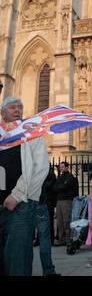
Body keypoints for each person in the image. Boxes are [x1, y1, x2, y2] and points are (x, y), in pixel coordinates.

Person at [0, 97, 49, 276]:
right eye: (12, 107)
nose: (17, 110)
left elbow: (41, 167)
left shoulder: (31, 133)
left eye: (20, 107)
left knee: (17, 263)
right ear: (2, 113)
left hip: (21, 206)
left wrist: (16, 195)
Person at [34, 165, 61, 275]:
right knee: (44, 237)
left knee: (24, 239)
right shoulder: (39, 159)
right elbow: (50, 176)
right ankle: (48, 270)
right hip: (39, 201)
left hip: (25, 201)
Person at [53, 161, 78, 246]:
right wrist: (61, 186)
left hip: (67, 200)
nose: (61, 168)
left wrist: (60, 186)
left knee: (66, 220)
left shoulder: (70, 177)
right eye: (60, 167)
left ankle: (69, 239)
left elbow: (65, 186)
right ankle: (61, 239)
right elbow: (55, 188)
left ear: (67, 167)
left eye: (62, 167)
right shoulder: (60, 177)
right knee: (59, 221)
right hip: (59, 200)